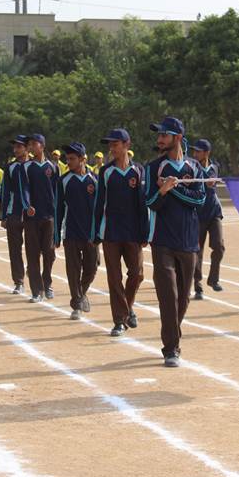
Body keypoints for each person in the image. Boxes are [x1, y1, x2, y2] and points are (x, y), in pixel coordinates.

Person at [145, 116, 205, 367]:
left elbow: (200, 200)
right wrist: (162, 191)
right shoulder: (153, 167)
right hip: (162, 241)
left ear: (177, 138)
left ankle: (172, 333)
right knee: (168, 295)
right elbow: (150, 202)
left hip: (189, 241)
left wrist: (175, 188)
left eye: (164, 135)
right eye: (158, 135)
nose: (159, 139)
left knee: (183, 298)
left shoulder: (195, 168)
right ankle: (171, 348)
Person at [94, 128, 149, 336]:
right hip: (111, 233)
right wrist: (95, 232)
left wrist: (145, 232)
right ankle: (119, 320)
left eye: (115, 144)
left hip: (133, 232)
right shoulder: (106, 172)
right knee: (114, 278)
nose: (111, 148)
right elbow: (99, 203)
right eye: (110, 144)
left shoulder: (138, 171)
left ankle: (127, 307)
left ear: (127, 145)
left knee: (137, 274)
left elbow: (143, 204)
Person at [55, 142, 100, 321]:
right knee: (73, 270)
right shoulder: (63, 181)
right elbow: (58, 209)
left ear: (83, 159)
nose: (69, 162)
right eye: (67, 159)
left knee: (92, 268)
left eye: (72, 159)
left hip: (91, 234)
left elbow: (101, 208)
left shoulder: (95, 180)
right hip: (71, 233)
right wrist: (57, 235)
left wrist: (99, 232)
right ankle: (76, 304)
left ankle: (81, 294)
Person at [23, 134, 59, 302]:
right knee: (32, 254)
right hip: (32, 217)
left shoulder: (53, 167)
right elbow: (24, 189)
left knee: (49, 253)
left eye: (34, 143)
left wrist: (58, 212)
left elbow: (57, 192)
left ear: (42, 146)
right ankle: (36, 290)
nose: (31, 146)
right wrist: (27, 205)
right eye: (29, 144)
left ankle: (48, 283)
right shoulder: (26, 166)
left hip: (49, 216)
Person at [191, 138, 225, 299]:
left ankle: (214, 279)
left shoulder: (214, 167)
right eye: (194, 151)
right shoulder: (191, 167)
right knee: (197, 251)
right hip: (197, 214)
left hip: (214, 212)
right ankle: (198, 286)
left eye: (198, 151)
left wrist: (210, 183)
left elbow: (212, 181)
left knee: (219, 246)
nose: (195, 154)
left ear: (206, 153)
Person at [0, 135, 30, 294]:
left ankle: (32, 271)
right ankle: (18, 281)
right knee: (14, 249)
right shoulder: (10, 167)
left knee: (35, 248)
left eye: (19, 146)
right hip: (14, 213)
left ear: (27, 148)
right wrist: (3, 215)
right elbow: (4, 191)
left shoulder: (34, 166)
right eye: (14, 147)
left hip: (32, 214)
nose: (15, 150)